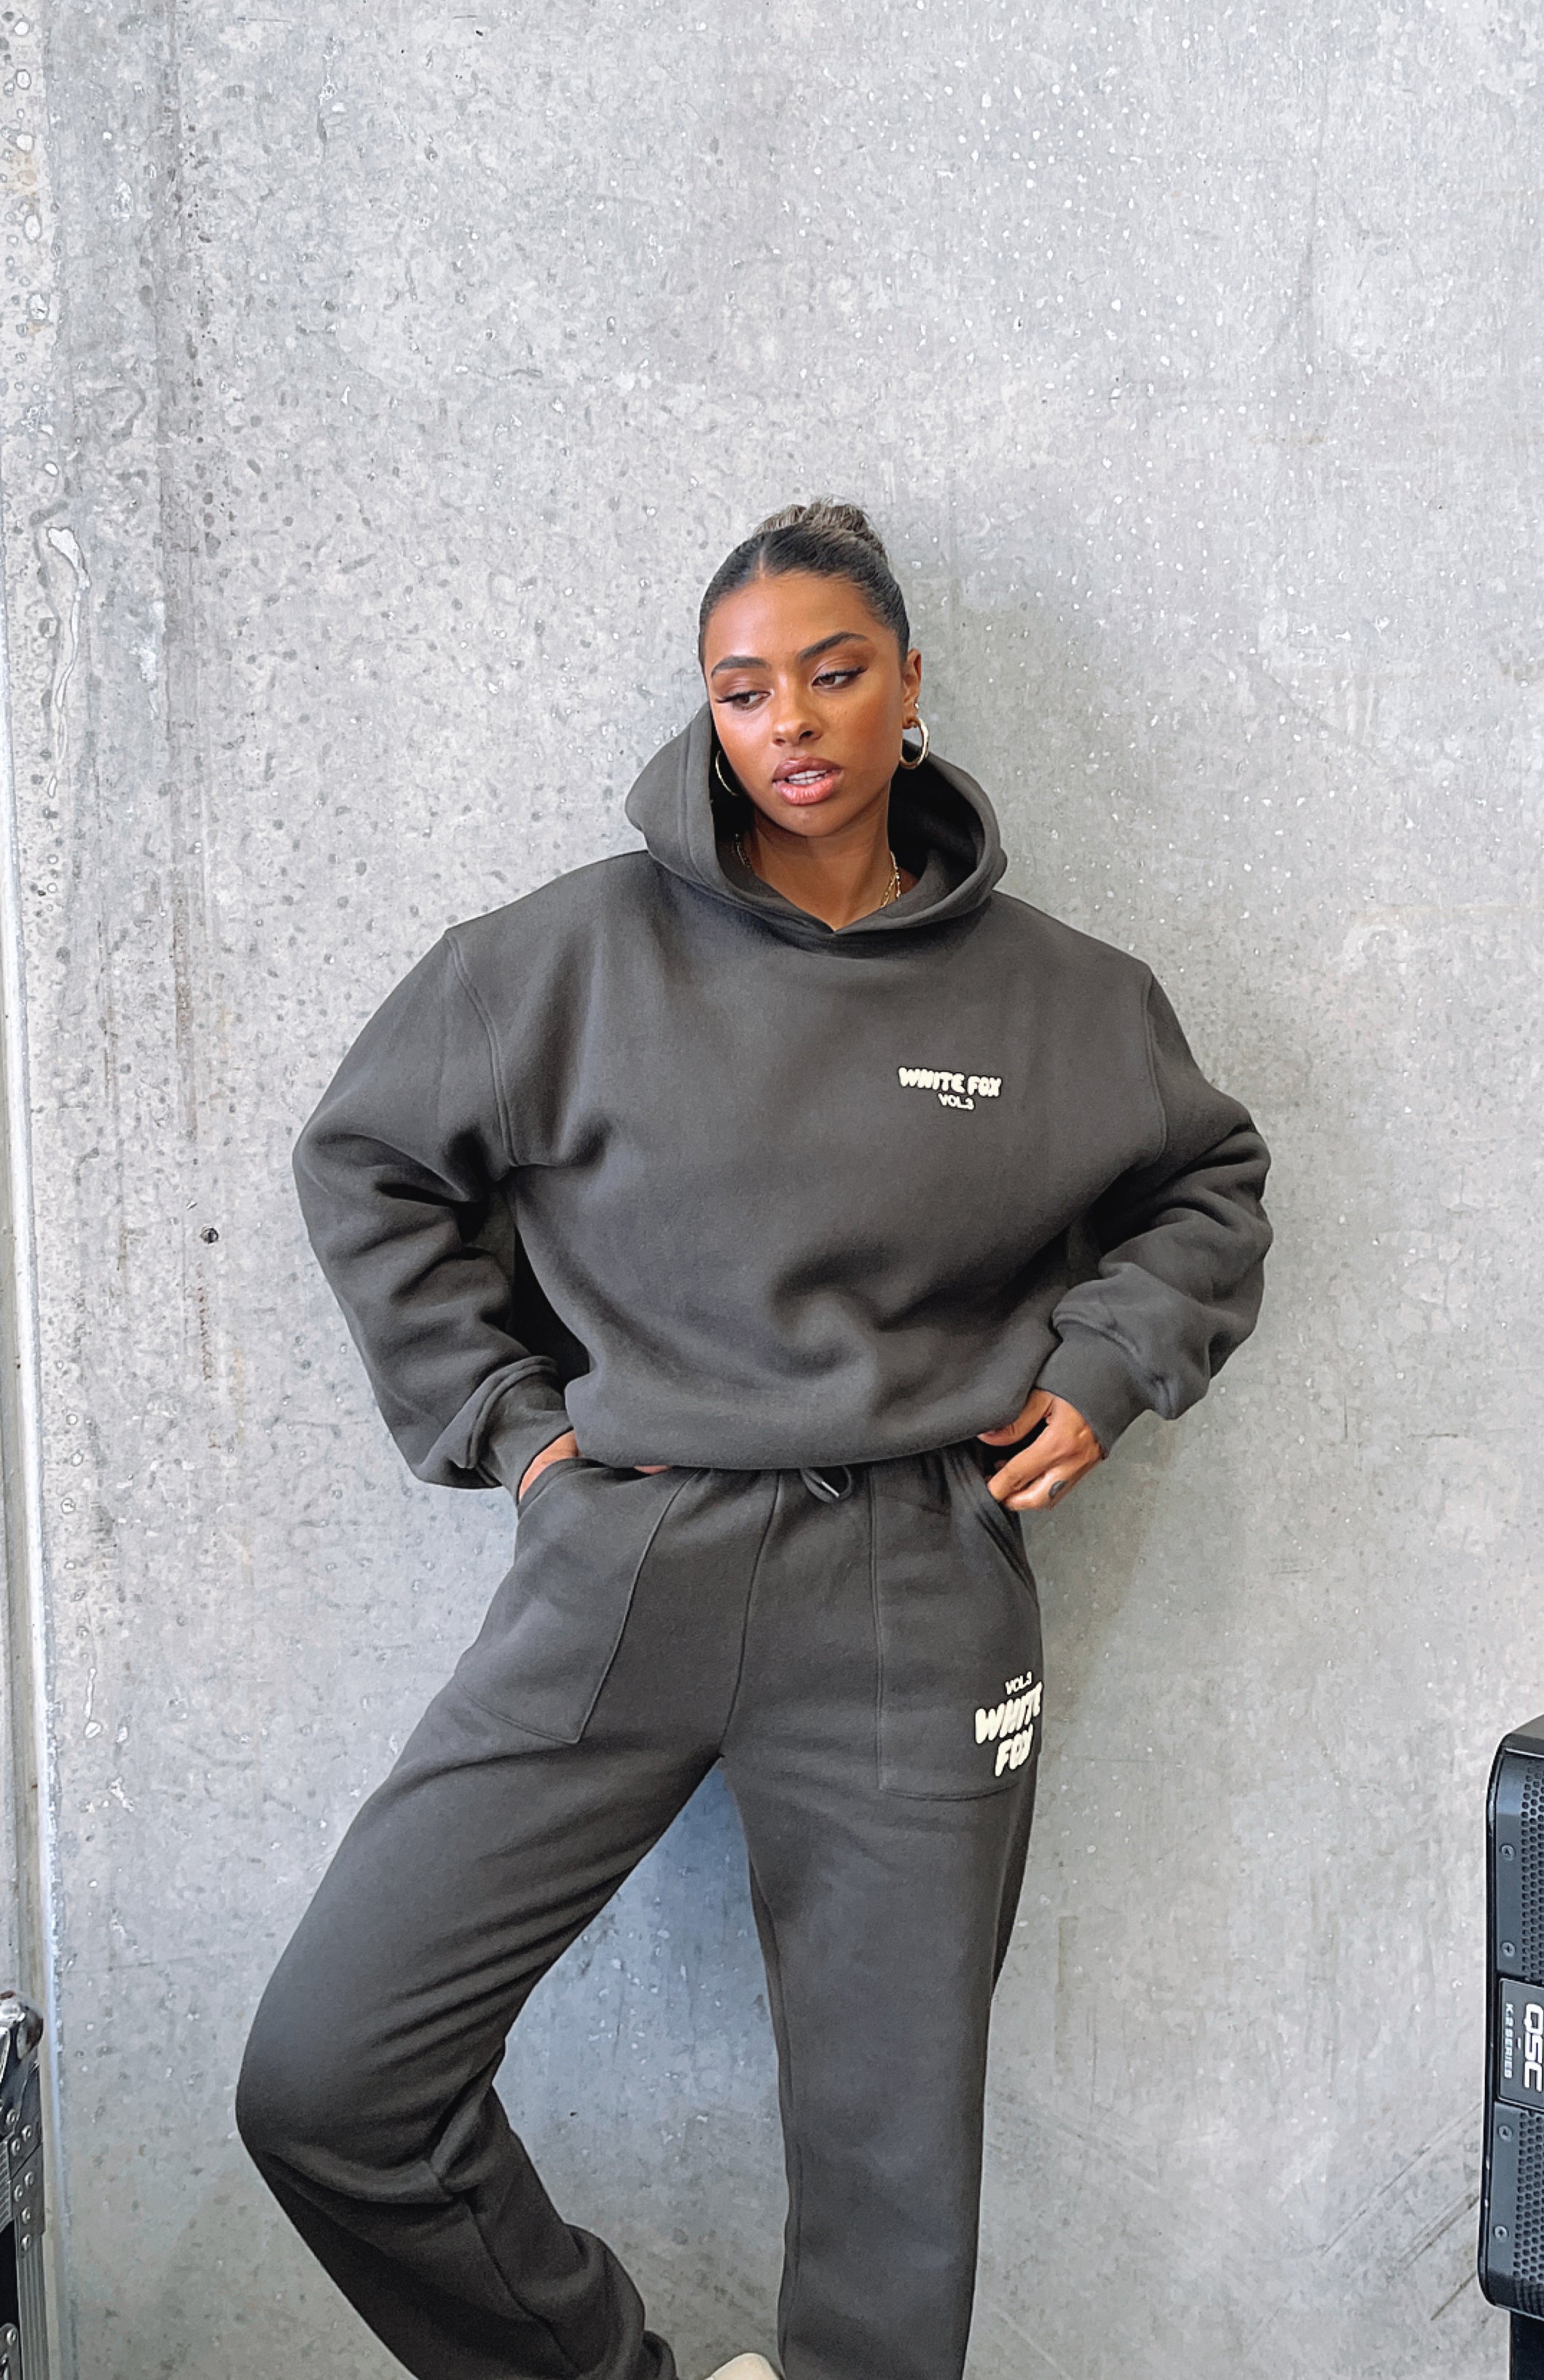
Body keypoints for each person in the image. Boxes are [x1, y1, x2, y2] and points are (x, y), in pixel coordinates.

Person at [236, 500, 1272, 2380]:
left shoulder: (1063, 996)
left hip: (917, 1584)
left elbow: (1209, 1183)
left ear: (908, 686)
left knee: (894, 2192)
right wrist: (506, 1425)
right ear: (707, 711)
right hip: (630, 1556)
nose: (788, 718)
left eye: (832, 672)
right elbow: (368, 1165)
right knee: (333, 2079)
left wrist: (1113, 1365)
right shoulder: (560, 961)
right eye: (741, 688)